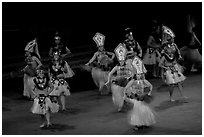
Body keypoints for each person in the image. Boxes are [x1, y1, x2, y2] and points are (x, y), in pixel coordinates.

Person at [159, 25, 187, 102]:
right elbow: (160, 64)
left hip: (175, 67)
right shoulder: (164, 56)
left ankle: (182, 95)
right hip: (168, 70)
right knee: (171, 84)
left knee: (179, 82)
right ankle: (171, 97)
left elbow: (177, 51)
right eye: (172, 39)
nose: (171, 50)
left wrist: (180, 57)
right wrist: (166, 68)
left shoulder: (174, 47)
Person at [105, 43, 134, 112]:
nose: (121, 62)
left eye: (122, 61)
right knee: (119, 96)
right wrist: (108, 80)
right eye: (120, 61)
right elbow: (110, 73)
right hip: (119, 82)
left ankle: (129, 103)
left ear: (124, 60)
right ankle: (121, 106)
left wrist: (130, 77)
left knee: (127, 95)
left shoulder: (128, 66)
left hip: (126, 82)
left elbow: (133, 72)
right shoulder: (117, 67)